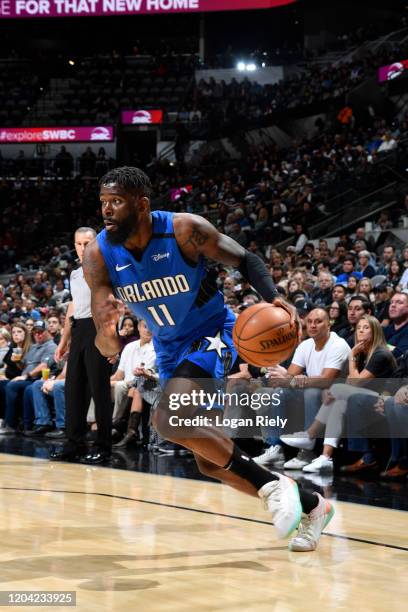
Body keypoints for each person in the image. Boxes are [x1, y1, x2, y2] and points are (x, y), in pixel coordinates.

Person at [83, 166, 334, 552]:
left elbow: (246, 259)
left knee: (168, 419)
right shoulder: (99, 253)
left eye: (116, 202)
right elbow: (107, 348)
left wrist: (273, 295)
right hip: (168, 350)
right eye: (103, 202)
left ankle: (274, 488)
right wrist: (106, 332)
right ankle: (313, 505)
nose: (107, 210)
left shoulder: (184, 230)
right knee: (209, 460)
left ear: (142, 204)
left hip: (212, 334)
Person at [282, 316, 396, 472]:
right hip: (361, 399)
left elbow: (355, 382)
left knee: (337, 391)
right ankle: (325, 457)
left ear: (375, 331)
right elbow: (351, 382)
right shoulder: (363, 353)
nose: (361, 330)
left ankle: (310, 434)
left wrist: (352, 356)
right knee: (338, 403)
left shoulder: (380, 354)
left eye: (366, 327)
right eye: (359, 328)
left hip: (383, 401)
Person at [49, 228, 113, 465]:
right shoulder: (75, 274)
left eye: (88, 242)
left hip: (100, 328)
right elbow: (73, 308)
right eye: (78, 243)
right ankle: (74, 443)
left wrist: (112, 340)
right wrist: (64, 341)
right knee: (74, 388)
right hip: (80, 330)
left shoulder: (108, 266)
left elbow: (116, 304)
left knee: (100, 390)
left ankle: (103, 445)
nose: (83, 247)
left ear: (96, 242)